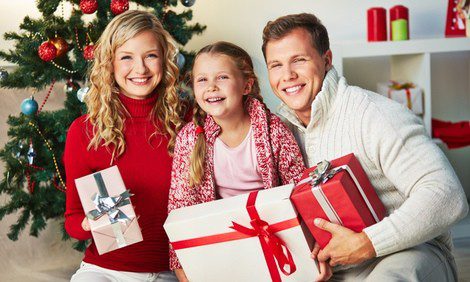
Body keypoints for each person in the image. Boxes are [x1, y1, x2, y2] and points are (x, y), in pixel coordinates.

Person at [261, 13, 469, 281]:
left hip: (407, 254)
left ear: (326, 60)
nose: (287, 75)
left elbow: (447, 196)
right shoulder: (278, 134)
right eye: (275, 65)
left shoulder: (374, 114)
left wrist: (367, 243)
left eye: (298, 60)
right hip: (329, 270)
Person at [167, 41, 331, 281]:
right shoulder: (190, 138)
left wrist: (317, 249)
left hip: (275, 242)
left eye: (222, 77)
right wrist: (182, 270)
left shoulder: (273, 130)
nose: (211, 87)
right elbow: (180, 208)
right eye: (202, 80)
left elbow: (300, 192)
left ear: (247, 85)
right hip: (219, 247)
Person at [64, 10, 185, 282]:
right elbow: (72, 219)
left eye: (150, 56)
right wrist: (90, 222)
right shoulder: (84, 131)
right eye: (127, 57)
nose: (140, 69)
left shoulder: (187, 120)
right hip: (106, 270)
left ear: (165, 60)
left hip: (173, 270)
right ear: (110, 63)